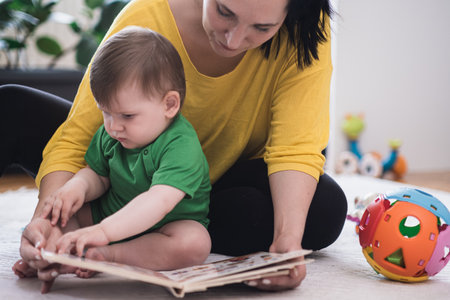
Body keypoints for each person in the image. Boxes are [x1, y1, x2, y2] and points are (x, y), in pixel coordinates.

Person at [3, 0, 348, 293]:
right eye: (224, 12)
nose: (235, 39)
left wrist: (287, 244)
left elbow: (295, 147)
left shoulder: (304, 27)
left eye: (262, 28)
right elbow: (81, 138)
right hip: (124, 165)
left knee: (323, 208)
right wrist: (48, 220)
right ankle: (126, 234)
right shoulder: (146, 16)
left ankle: (138, 238)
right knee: (12, 106)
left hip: (209, 187)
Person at [38, 25, 211, 278]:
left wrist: (105, 233)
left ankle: (109, 256)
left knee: (195, 242)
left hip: (162, 229)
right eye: (105, 112)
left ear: (169, 105)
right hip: (106, 216)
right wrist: (77, 188)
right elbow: (97, 176)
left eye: (127, 115)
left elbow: (158, 202)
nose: (113, 126)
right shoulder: (112, 133)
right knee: (63, 216)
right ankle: (51, 256)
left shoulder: (181, 145)